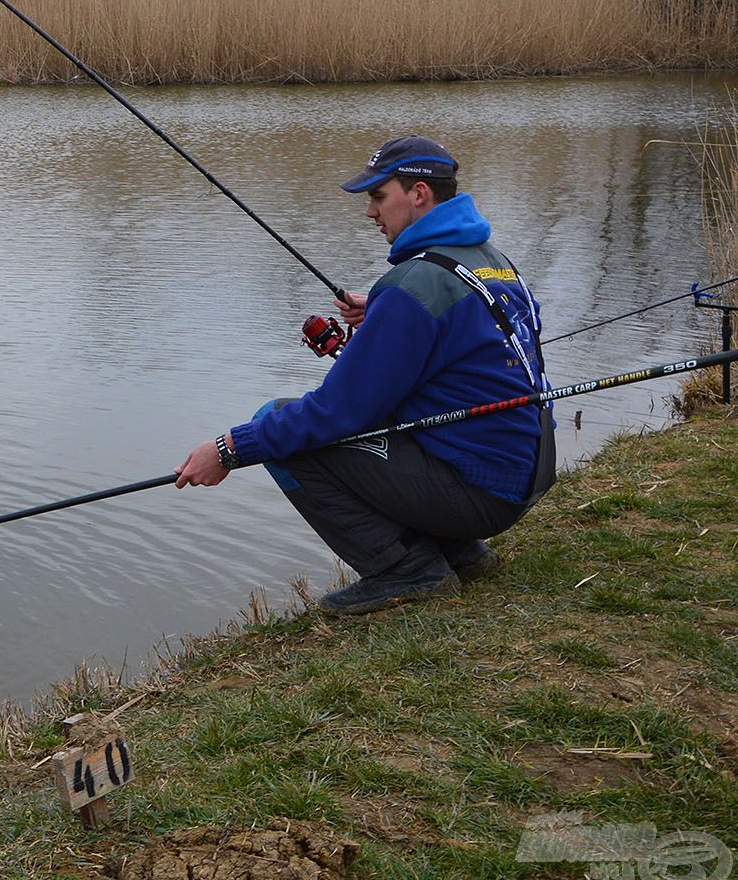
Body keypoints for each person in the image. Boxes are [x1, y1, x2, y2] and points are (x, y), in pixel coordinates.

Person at [173, 136, 556, 615]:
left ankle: (408, 570)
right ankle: (461, 551)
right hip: (526, 475)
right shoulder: (490, 261)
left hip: (482, 492)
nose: (371, 212)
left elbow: (337, 412)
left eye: (378, 197)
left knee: (277, 425)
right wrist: (382, 314)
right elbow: (474, 342)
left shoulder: (414, 285)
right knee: (377, 419)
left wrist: (230, 449)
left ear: (418, 194)